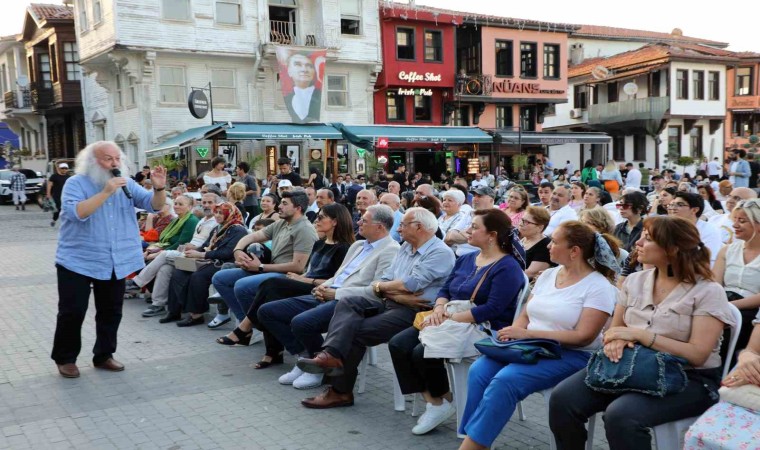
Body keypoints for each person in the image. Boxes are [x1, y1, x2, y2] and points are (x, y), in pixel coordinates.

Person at [549, 216, 736, 450]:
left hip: (688, 377)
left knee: (621, 416)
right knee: (563, 399)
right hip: (629, 364)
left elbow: (697, 354)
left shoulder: (707, 291)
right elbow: (613, 331)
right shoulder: (635, 281)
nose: (637, 243)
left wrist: (639, 335)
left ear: (673, 249)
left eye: (647, 239)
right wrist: (613, 341)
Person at [457, 221, 619, 450]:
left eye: (554, 241)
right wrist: (514, 333)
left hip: (571, 354)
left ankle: (472, 446)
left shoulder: (598, 286)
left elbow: (583, 336)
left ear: (574, 251)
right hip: (531, 346)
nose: (549, 246)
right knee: (479, 371)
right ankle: (474, 437)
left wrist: (524, 333)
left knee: (505, 381)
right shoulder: (549, 275)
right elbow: (526, 312)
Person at [296, 208, 455, 409]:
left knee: (353, 332)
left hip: (416, 312)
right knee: (349, 301)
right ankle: (330, 357)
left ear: (419, 227)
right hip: (391, 302)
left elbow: (409, 284)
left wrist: (384, 288)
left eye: (403, 224)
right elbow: (385, 281)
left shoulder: (440, 252)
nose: (398, 228)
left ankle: (339, 390)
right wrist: (388, 289)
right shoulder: (406, 246)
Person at [388, 209, 527, 435]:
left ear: (492, 235)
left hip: (483, 327)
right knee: (398, 344)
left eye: (474, 227)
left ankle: (441, 401)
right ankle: (438, 401)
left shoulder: (507, 267)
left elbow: (492, 309)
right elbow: (445, 288)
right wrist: (440, 308)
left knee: (420, 351)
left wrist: (447, 316)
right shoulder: (466, 258)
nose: (467, 231)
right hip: (449, 319)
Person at [52, 141, 167, 378]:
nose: (115, 163)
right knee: (72, 311)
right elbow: (77, 213)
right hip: (78, 259)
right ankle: (65, 358)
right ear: (94, 162)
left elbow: (154, 206)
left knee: (111, 310)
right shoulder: (76, 183)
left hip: (116, 259)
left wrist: (158, 189)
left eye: (117, 158)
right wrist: (106, 191)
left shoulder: (127, 184)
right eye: (108, 159)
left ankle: (104, 354)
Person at [257, 205, 399, 388]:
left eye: (364, 220)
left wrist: (336, 293)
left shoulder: (391, 250)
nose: (358, 222)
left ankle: (318, 367)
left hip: (350, 302)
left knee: (302, 322)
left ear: (379, 226)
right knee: (267, 311)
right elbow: (339, 275)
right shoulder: (358, 245)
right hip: (328, 294)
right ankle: (307, 357)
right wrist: (322, 286)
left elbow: (377, 290)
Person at [217, 203, 355, 362]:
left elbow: (338, 281)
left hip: (320, 289)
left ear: (335, 222)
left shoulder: (344, 249)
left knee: (271, 285)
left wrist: (304, 279)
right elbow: (310, 269)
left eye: (321, 217)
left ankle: (248, 329)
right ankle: (272, 352)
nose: (316, 220)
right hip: (305, 282)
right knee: (268, 297)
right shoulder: (319, 243)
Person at [212, 191, 319, 323]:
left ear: (298, 208)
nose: (279, 206)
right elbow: (253, 236)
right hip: (269, 269)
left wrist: (261, 267)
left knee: (241, 285)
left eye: (284, 203)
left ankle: (253, 324)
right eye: (281, 202)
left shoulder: (304, 229)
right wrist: (238, 250)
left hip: (287, 276)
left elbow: (298, 267)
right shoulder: (282, 223)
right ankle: (246, 322)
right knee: (219, 278)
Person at [162, 203, 249, 326]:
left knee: (198, 276)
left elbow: (227, 252)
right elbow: (205, 246)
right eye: (216, 212)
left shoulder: (238, 229)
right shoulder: (218, 228)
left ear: (229, 214)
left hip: (225, 264)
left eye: (221, 213)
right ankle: (175, 310)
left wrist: (202, 255)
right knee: (178, 273)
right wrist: (194, 252)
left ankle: (196, 314)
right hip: (209, 260)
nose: (217, 216)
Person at [136, 193, 220, 318]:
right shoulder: (201, 220)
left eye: (210, 203)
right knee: (165, 269)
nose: (206, 205)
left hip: (198, 256)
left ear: (190, 206)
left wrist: (196, 249)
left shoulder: (206, 221)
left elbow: (207, 244)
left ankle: (137, 282)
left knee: (163, 255)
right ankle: (158, 304)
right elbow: (167, 239)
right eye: (204, 202)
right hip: (186, 252)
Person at [683, 321, 760, 449]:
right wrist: (746, 359)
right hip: (749, 397)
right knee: (700, 435)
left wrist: (753, 376)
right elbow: (752, 350)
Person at [713, 198, 760, 353]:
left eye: (742, 221)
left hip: (752, 311)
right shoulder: (727, 250)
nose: (735, 225)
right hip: (722, 303)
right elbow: (714, 285)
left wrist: (731, 307)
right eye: (735, 220)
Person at [667, 192, 722, 267]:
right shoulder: (667, 227)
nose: (673, 208)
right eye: (672, 204)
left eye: (680, 205)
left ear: (694, 210)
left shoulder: (709, 230)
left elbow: (708, 261)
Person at [283, 52, 321, 123]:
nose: (304, 70)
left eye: (309, 66)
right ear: (289, 71)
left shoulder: (320, 95)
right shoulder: (287, 98)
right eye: (298, 65)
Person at [519, 205, 553, 280]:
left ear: (540, 227)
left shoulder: (545, 246)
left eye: (526, 222)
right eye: (522, 220)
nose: (521, 224)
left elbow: (530, 273)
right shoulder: (521, 239)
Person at [236, 162, 260, 227]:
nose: (236, 170)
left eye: (237, 168)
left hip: (251, 204)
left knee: (252, 222)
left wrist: (243, 194)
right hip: (243, 203)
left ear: (242, 169)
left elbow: (254, 190)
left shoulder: (249, 178)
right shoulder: (239, 179)